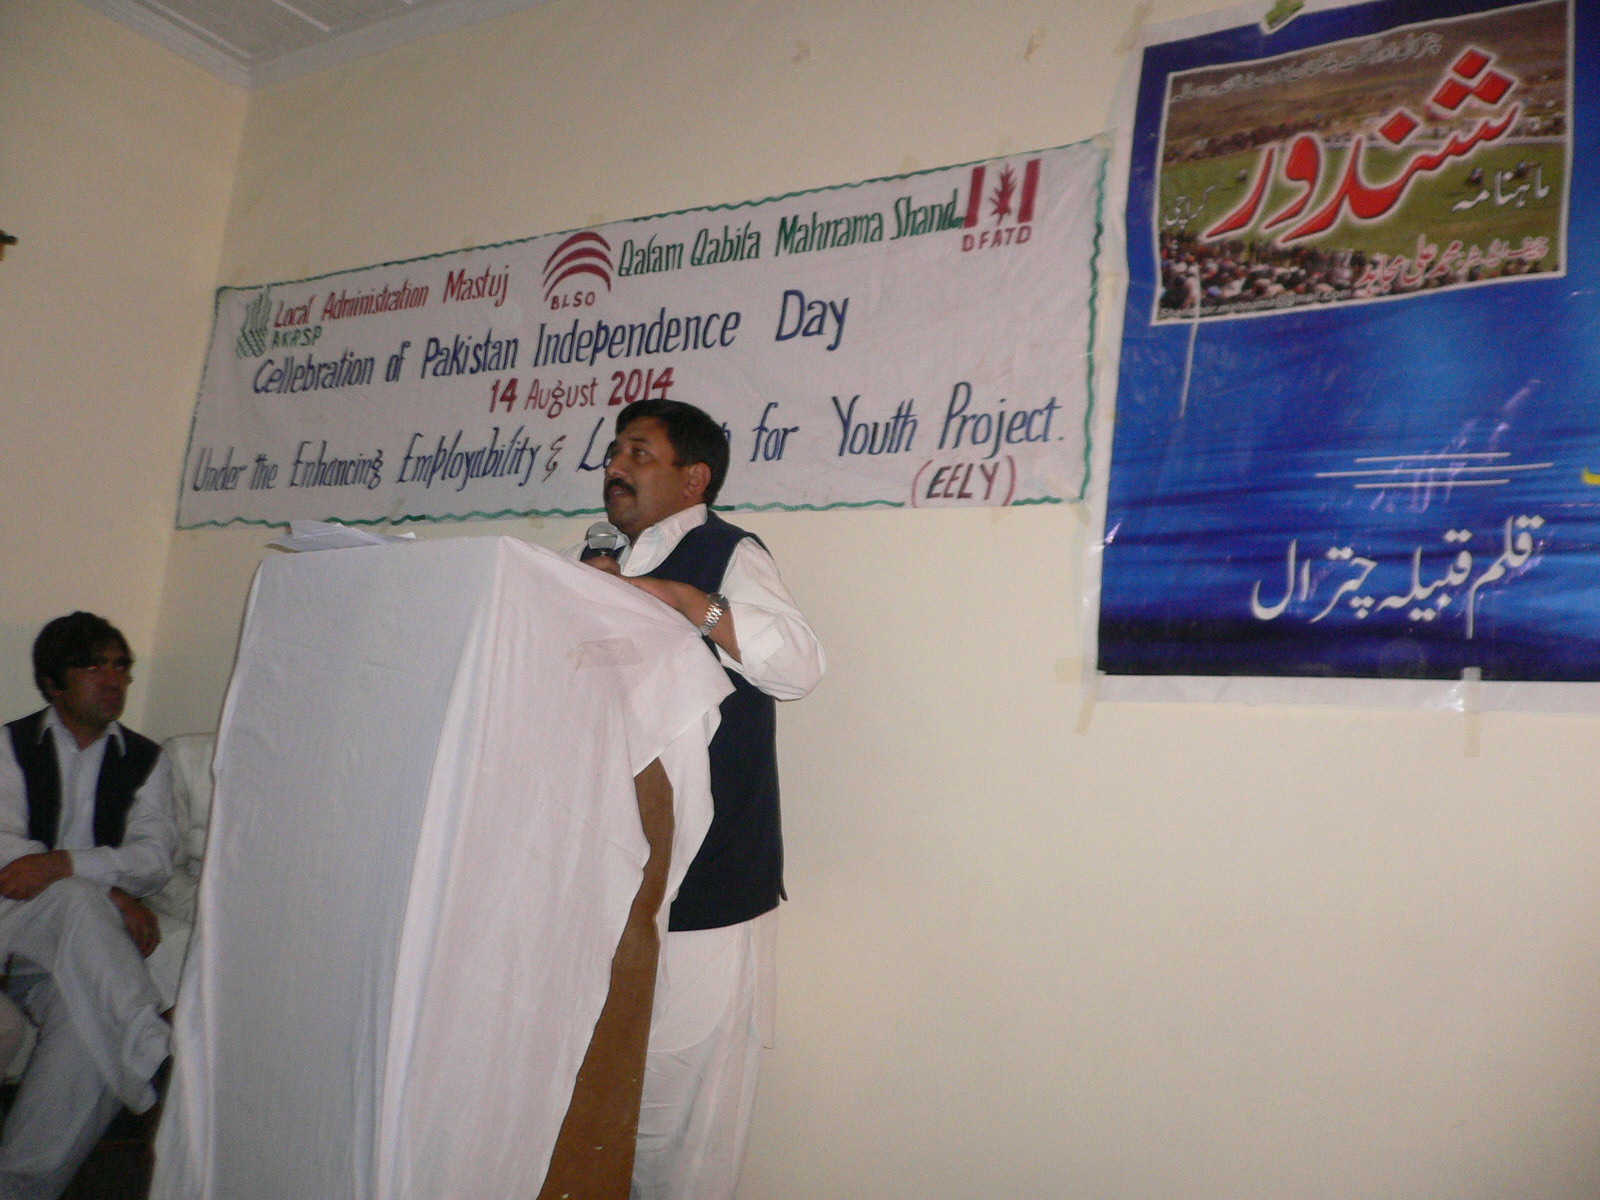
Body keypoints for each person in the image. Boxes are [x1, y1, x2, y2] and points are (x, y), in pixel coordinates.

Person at [579, 400, 823, 1200]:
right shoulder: (594, 564)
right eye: (615, 452)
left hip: (706, 896)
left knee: (681, 1135)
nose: (615, 466)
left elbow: (800, 667)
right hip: (609, 892)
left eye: (638, 453)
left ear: (694, 478)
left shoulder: (727, 553)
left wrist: (690, 603)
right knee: (601, 1111)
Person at [0, 613, 175, 1200]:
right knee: (77, 897)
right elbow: (8, 858)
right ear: (53, 682)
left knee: (87, 1037)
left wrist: (68, 866)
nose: (114, 680)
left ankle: (17, 1187)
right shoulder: (8, 746)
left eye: (121, 667)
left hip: (78, 950)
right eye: (94, 666)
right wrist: (103, 884)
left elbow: (155, 859)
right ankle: (153, 1045)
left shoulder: (147, 761)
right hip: (11, 921)